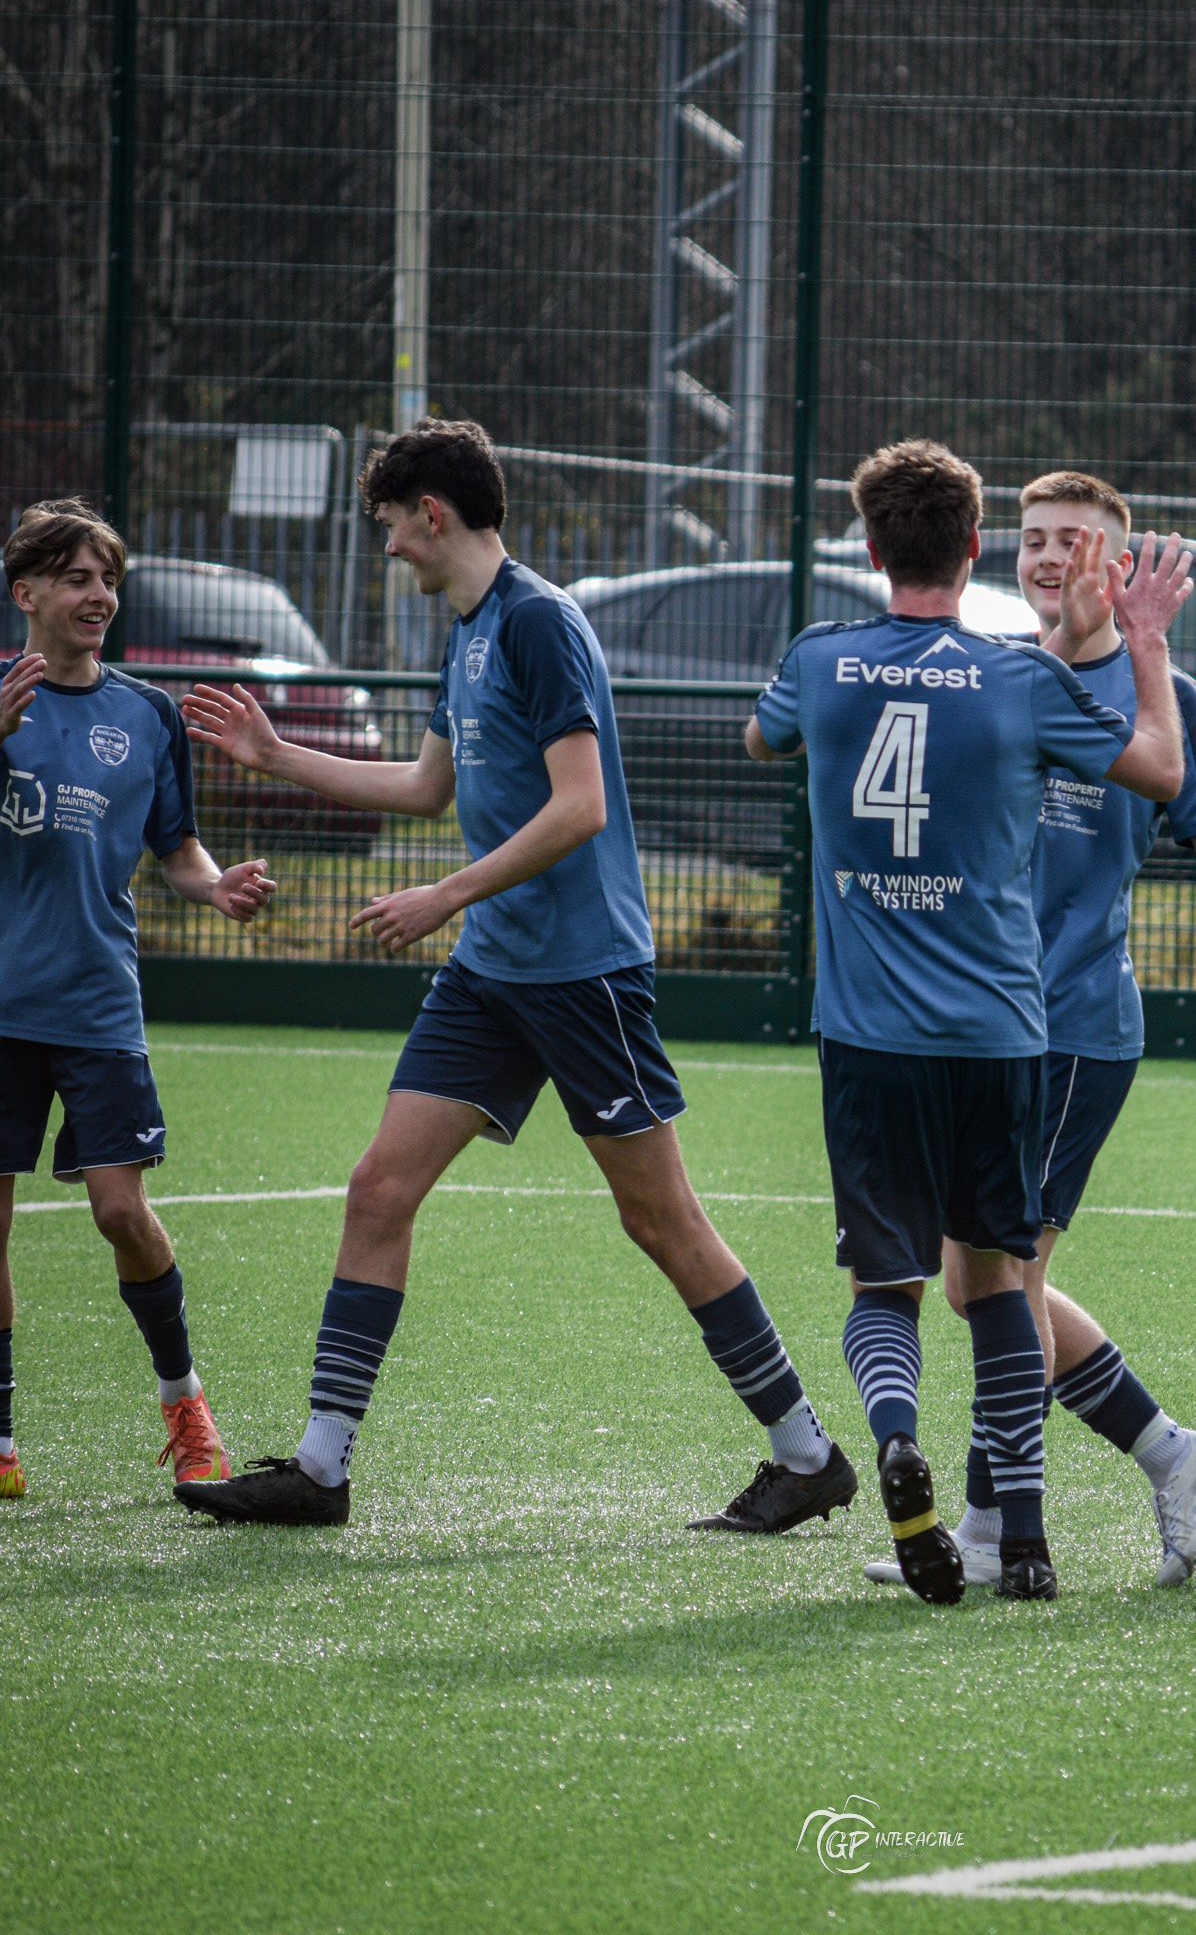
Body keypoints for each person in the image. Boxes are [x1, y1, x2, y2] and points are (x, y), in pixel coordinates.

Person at [173, 418, 853, 1530]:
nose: (387, 546)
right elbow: (430, 788)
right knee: (377, 1190)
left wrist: (444, 896)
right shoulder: (469, 629)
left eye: (390, 525)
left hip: (583, 974)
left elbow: (579, 807)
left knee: (661, 1220)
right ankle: (321, 1465)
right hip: (492, 974)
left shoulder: (540, 622)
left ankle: (805, 1452)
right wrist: (276, 755)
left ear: (432, 514)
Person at [747, 439, 1190, 1602]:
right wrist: (1140, 637)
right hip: (1002, 1034)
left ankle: (896, 1437)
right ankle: (1027, 1541)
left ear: (871, 546)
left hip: (869, 1037)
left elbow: (760, 736)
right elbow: (1154, 765)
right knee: (1000, 1284)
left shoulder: (818, 660)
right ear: (978, 548)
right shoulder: (1017, 676)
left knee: (884, 1290)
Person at [865, 471, 1196, 1596]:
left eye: (1073, 541)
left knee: (1000, 1280)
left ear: (1118, 566)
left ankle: (988, 1524)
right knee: (981, 1285)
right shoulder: (993, 675)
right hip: (978, 1026)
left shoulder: (1160, 698)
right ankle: (1168, 1452)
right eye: (1031, 538)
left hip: (1071, 1030)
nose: (1048, 556)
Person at [0, 499, 275, 1499]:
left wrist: (213, 886)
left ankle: (185, 1403)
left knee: (122, 1211)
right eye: (75, 578)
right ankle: (1, 1441)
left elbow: (177, 848)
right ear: (24, 592)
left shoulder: (147, 715)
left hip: (97, 1006)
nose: (98, 596)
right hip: (1, 1008)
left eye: (106, 578)